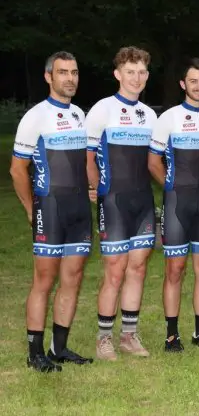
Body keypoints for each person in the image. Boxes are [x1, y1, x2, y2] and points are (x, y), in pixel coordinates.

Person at [11, 51, 93, 372]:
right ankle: (34, 354)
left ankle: (58, 348)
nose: (69, 78)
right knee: (44, 280)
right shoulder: (36, 117)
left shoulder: (80, 116)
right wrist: (33, 209)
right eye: (63, 73)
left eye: (74, 72)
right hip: (50, 207)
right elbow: (18, 170)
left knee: (72, 277)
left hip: (78, 210)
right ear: (49, 77)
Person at [148, 58, 199, 352]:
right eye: (193, 81)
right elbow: (153, 161)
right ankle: (171, 335)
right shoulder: (168, 117)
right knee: (175, 269)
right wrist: (170, 184)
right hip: (177, 204)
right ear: (183, 84)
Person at [86, 46, 158, 360]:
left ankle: (129, 335)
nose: (137, 77)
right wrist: (95, 186)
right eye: (131, 71)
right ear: (118, 74)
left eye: (142, 72)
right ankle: (104, 339)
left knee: (138, 268)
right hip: (113, 200)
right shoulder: (102, 109)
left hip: (142, 200)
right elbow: (86, 157)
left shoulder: (150, 114)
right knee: (115, 270)